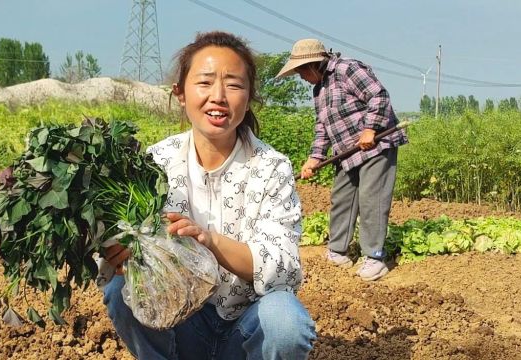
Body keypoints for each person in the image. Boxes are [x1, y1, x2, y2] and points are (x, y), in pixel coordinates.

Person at [99, 31, 316, 359]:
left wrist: (208, 240)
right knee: (121, 290)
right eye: (204, 83)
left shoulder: (271, 167)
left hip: (246, 328)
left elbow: (284, 266)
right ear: (180, 93)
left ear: (249, 96)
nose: (219, 96)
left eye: (233, 84)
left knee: (285, 320)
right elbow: (112, 255)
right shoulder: (155, 163)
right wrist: (114, 252)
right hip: (179, 321)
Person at [275, 38, 407, 281]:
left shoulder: (348, 69)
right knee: (342, 199)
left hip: (375, 146)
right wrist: (315, 157)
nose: (301, 77)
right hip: (347, 152)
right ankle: (338, 252)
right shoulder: (319, 89)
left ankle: (374, 257)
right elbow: (322, 126)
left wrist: (370, 129)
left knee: (371, 200)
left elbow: (378, 96)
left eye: (301, 71)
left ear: (314, 64)